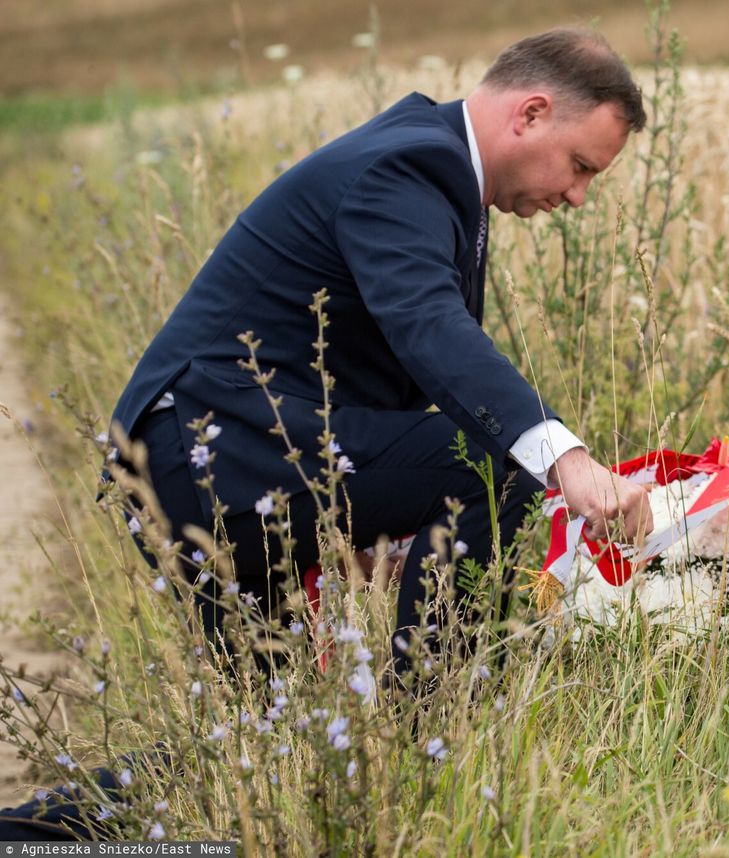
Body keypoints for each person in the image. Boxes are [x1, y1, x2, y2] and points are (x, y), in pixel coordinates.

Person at [1, 27, 653, 840]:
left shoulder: (424, 162)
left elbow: (372, 367)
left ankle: (25, 836)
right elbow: (431, 331)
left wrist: (367, 515)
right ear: (530, 113)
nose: (578, 197)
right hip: (215, 457)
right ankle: (430, 742)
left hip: (209, 461)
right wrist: (565, 458)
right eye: (583, 167)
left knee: (274, 749)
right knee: (493, 466)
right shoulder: (410, 168)